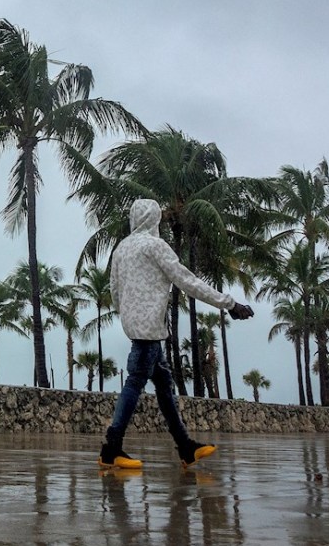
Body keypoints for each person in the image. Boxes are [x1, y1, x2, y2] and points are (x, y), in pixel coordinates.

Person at [98, 198, 254, 470]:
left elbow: (114, 289)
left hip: (141, 326)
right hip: (149, 328)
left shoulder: (121, 248)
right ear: (155, 219)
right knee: (135, 382)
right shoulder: (155, 246)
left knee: (164, 385)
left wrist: (128, 316)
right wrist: (229, 303)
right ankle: (111, 449)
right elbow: (187, 280)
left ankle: (185, 447)